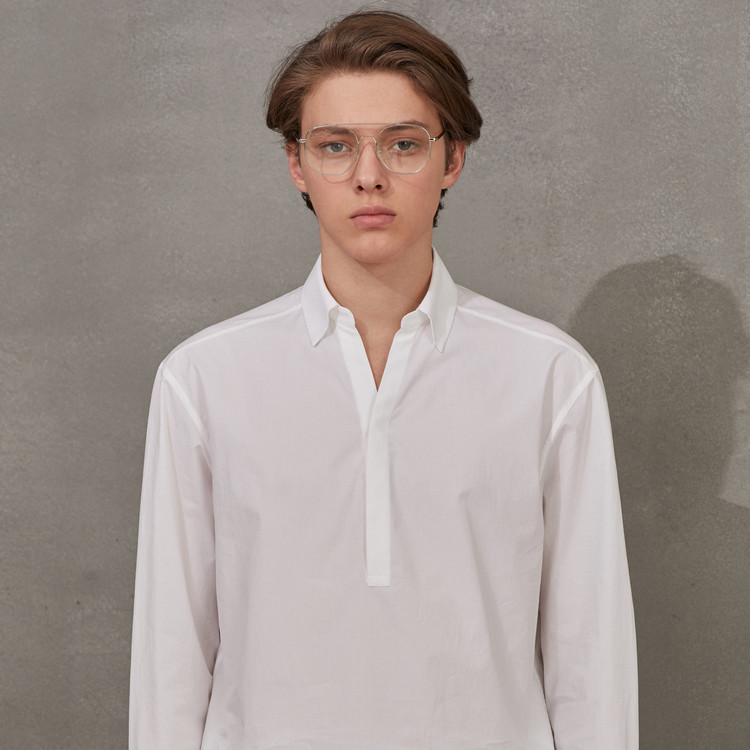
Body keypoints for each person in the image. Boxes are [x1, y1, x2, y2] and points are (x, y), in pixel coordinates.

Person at [129, 10, 638, 750]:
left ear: (452, 158)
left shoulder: (551, 379)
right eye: (335, 145)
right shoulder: (203, 381)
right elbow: (171, 663)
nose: (369, 175)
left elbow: (590, 661)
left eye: (403, 143)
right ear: (297, 164)